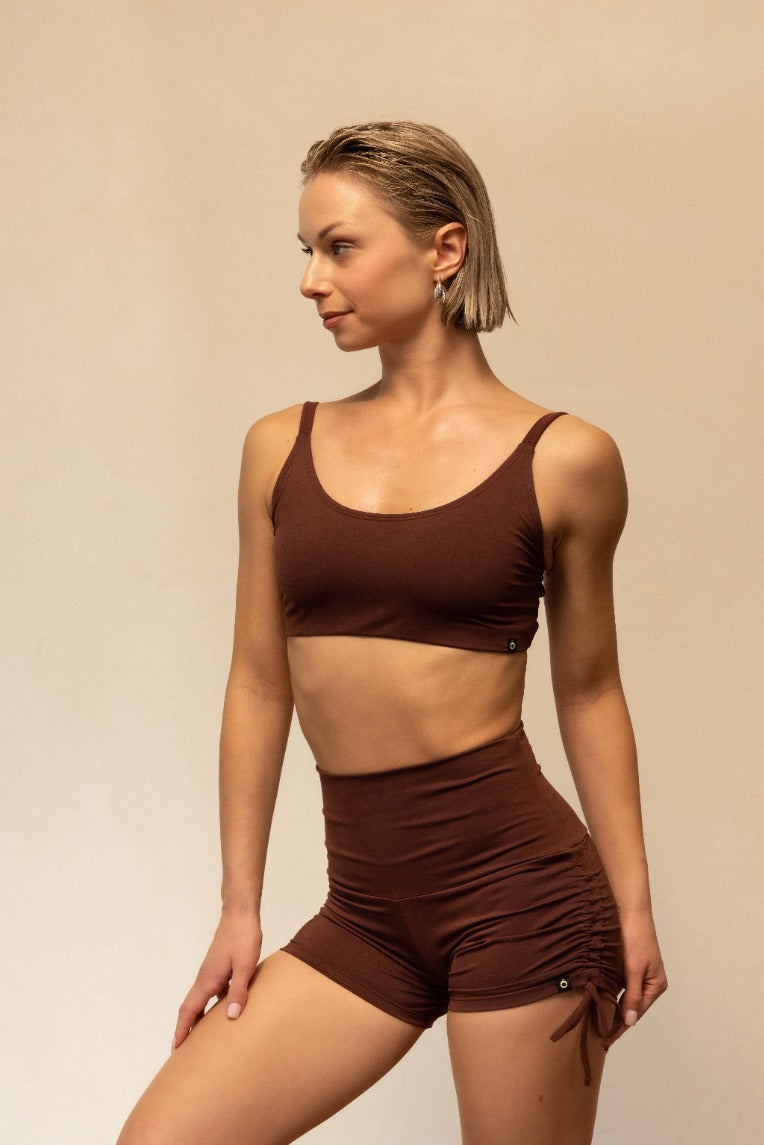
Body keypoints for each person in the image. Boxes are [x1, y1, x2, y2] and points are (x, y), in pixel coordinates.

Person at [116, 120, 667, 1145]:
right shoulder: (279, 446)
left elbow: (588, 690)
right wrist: (239, 906)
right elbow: (255, 681)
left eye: (338, 246)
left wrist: (632, 907)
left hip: (522, 896)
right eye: (305, 251)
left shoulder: (563, 459)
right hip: (366, 910)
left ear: (442, 251)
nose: (310, 280)